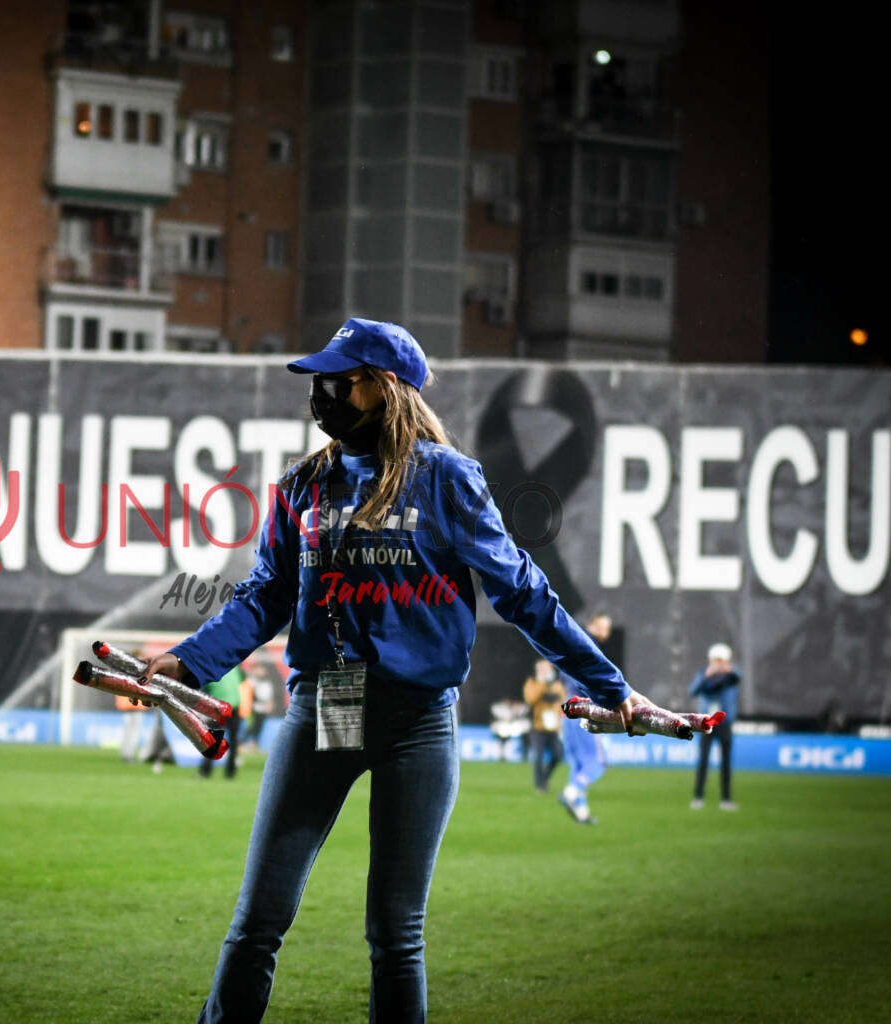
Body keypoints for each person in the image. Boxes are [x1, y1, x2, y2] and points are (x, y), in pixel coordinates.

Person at [139, 317, 647, 1023]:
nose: (322, 394)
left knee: (395, 936)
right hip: (323, 709)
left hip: (418, 722)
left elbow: (523, 592)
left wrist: (607, 683)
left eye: (338, 381)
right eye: (321, 381)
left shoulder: (447, 480)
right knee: (257, 920)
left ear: (382, 388)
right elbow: (262, 599)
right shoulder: (300, 487)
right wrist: (186, 662)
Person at [556, 613, 615, 825]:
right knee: (597, 762)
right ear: (591, 624)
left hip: (567, 711)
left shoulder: (572, 643)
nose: (603, 632)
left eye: (606, 628)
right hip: (584, 712)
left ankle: (581, 811)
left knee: (579, 764)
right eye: (600, 625)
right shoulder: (589, 647)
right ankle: (572, 793)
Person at [690, 642, 741, 810]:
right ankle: (698, 797)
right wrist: (707, 675)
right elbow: (693, 691)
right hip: (708, 722)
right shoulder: (704, 674)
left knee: (726, 762)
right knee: (703, 760)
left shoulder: (731, 677)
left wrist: (728, 670)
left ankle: (726, 799)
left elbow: (738, 677)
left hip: (725, 723)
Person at [522, 659, 565, 793]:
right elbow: (530, 699)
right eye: (540, 669)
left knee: (558, 755)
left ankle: (545, 777)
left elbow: (561, 701)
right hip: (538, 727)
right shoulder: (532, 683)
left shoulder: (557, 684)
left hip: (553, 728)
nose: (543, 672)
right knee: (538, 757)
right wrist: (541, 684)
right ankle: (540, 786)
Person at [199, 664, 246, 780]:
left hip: (218, 707)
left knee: (211, 740)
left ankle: (205, 771)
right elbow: (243, 679)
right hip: (234, 706)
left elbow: (205, 689)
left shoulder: (211, 669)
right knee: (234, 740)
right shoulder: (235, 667)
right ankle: (230, 772)